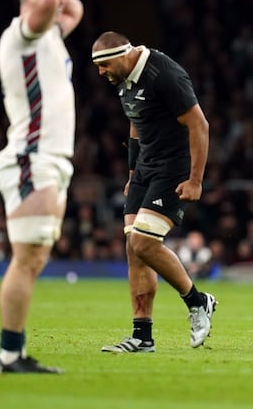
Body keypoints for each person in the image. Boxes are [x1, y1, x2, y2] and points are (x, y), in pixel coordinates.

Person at [92, 31, 217, 353]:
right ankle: (142, 336)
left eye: (104, 66)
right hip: (146, 169)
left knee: (143, 241)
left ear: (122, 55)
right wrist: (133, 172)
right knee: (134, 249)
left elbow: (199, 125)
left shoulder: (164, 74)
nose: (101, 73)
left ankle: (198, 301)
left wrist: (195, 180)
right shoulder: (124, 78)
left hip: (173, 168)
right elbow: (137, 122)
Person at [0, 0, 84, 373]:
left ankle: (13, 353)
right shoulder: (22, 35)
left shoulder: (49, 37)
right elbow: (47, 2)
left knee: (34, 257)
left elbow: (71, 9)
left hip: (49, 159)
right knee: (27, 257)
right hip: (33, 156)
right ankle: (10, 354)